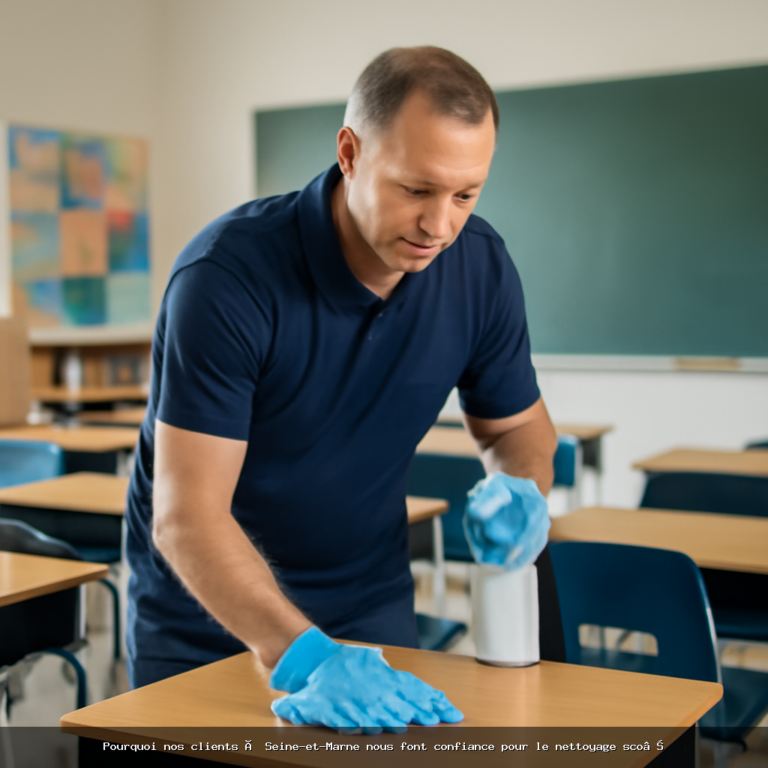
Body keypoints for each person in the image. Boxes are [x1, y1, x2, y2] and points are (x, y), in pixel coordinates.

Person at [125, 46, 562, 731]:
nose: (440, 226)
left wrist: (522, 485)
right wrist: (302, 657)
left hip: (368, 602)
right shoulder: (226, 279)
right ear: (351, 153)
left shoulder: (481, 267)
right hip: (208, 617)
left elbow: (516, 429)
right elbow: (188, 519)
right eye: (416, 189)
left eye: (465, 194)